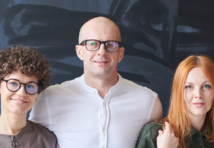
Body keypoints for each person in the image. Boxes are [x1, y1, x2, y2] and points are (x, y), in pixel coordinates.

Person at [28, 16, 163, 148]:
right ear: (79, 52)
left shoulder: (148, 102)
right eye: (92, 44)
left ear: (120, 54)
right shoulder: (49, 99)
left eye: (110, 44)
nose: (102, 52)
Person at [136, 55, 214, 148]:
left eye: (206, 86)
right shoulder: (153, 134)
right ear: (178, 92)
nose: (198, 94)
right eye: (189, 87)